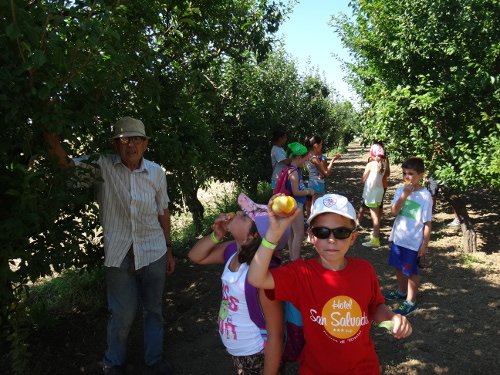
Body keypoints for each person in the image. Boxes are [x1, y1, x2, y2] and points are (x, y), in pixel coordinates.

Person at [44, 117, 175, 375]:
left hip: (154, 250)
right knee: (122, 314)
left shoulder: (157, 173)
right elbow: (67, 169)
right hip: (119, 254)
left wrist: (169, 248)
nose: (131, 145)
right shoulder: (102, 166)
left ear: (146, 144)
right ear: (115, 144)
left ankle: (154, 359)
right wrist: (51, 136)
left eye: (137, 139)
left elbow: (163, 211)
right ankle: (113, 361)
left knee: (154, 311)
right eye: (125, 139)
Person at [247, 193, 413, 374]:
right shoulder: (300, 273)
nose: (332, 239)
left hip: (364, 368)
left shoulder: (364, 270)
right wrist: (273, 234)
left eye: (341, 232)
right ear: (311, 236)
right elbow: (256, 278)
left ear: (353, 238)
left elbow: (375, 306)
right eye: (322, 232)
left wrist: (391, 317)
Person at [188, 193, 287, 374]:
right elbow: (196, 256)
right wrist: (217, 235)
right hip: (239, 354)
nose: (238, 213)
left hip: (256, 354)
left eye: (244, 216)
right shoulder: (232, 251)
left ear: (252, 236)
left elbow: (275, 334)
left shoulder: (263, 277)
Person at [384, 157, 432, 316]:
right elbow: (393, 212)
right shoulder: (400, 190)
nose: (407, 177)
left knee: (411, 272)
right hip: (399, 237)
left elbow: (427, 223)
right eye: (404, 173)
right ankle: (401, 291)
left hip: (413, 242)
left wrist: (424, 245)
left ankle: (410, 300)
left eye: (411, 173)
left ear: (421, 175)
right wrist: (404, 196)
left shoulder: (425, 196)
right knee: (398, 266)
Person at [283, 142, 315, 260]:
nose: (305, 162)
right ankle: (296, 262)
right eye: (305, 159)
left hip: (292, 205)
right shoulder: (294, 172)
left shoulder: (291, 169)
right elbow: (296, 192)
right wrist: (309, 191)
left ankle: (292, 259)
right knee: (299, 234)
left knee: (292, 234)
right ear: (298, 157)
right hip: (296, 205)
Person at [304, 136, 341, 218]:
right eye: (320, 145)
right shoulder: (314, 159)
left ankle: (310, 224)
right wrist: (333, 160)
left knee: (311, 205)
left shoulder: (307, 155)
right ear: (315, 146)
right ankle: (314, 226)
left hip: (311, 182)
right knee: (317, 207)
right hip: (318, 184)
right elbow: (326, 174)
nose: (322, 147)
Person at [361, 143, 388, 247]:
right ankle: (374, 234)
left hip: (371, 193)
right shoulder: (384, 164)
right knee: (377, 215)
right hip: (379, 191)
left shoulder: (370, 164)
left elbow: (363, 179)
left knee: (374, 217)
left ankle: (375, 239)